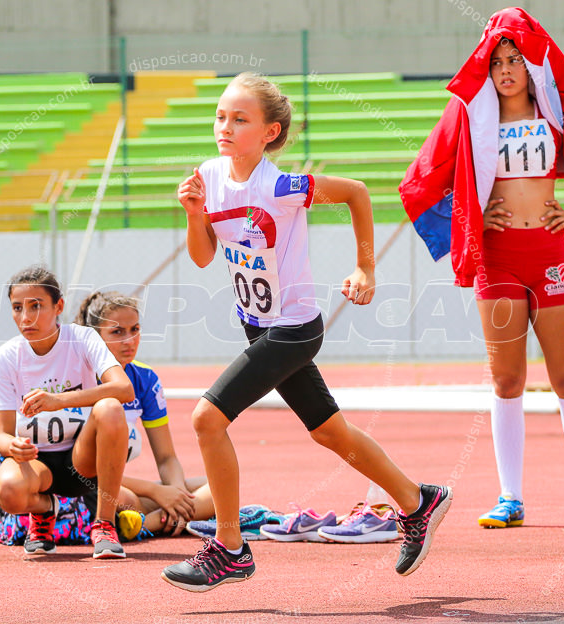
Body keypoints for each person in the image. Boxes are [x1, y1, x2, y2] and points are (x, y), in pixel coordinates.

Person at [164, 72, 452, 592]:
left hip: (293, 329)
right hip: (257, 328)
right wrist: (193, 214)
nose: (224, 127)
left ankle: (229, 547)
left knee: (207, 418)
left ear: (270, 133)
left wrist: (365, 268)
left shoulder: (280, 186)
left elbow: (357, 193)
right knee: (329, 432)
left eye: (240, 119)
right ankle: (418, 501)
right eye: (220, 116)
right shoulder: (208, 175)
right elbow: (204, 256)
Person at [401, 8, 564, 529]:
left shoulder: (555, 115)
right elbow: (422, 180)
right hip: (496, 258)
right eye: (497, 61)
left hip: (549, 255)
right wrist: (472, 217)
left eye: (515, 60)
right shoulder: (471, 119)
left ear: (531, 67)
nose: (505, 71)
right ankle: (509, 497)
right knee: (507, 380)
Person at [0, 266, 135, 559]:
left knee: (110, 408)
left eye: (36, 306)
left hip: (81, 459)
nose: (26, 317)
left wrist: (60, 400)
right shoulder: (5, 358)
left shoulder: (82, 339)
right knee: (6, 491)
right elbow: (1, 435)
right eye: (17, 308)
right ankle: (44, 512)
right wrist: (12, 446)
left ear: (59, 307)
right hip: (36, 463)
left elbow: (123, 388)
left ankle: (104, 524)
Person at [76, 290, 215, 536]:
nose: (129, 340)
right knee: (125, 497)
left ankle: (144, 524)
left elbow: (166, 458)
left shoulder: (145, 378)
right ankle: (145, 522)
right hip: (83, 486)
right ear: (94, 337)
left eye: (135, 329)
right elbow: (81, 469)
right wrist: (156, 492)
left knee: (217, 487)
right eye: (117, 332)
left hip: (126, 488)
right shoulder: (77, 377)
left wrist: (176, 493)